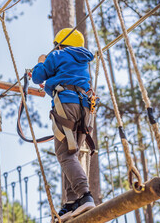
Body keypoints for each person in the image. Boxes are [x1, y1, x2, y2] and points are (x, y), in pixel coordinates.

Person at [32, 28, 96, 221]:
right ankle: (72, 202)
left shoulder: (58, 54)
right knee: (71, 154)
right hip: (85, 109)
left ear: (59, 45)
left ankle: (84, 195)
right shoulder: (83, 60)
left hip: (66, 105)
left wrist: (41, 62)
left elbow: (37, 77)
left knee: (64, 154)